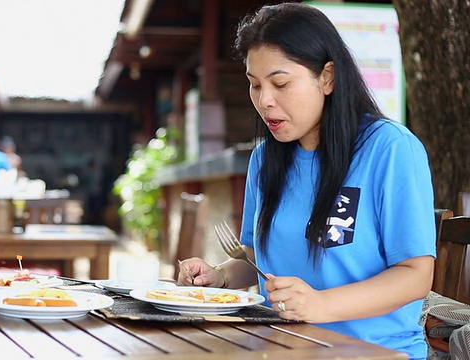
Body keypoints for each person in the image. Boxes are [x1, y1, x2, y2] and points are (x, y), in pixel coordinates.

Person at [177, 3, 435, 359]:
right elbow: (255, 258)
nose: (265, 101)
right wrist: (218, 277)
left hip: (374, 351)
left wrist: (320, 305)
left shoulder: (389, 149)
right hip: (280, 347)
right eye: (255, 85)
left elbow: (416, 275)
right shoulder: (265, 160)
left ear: (327, 77)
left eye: (280, 83)